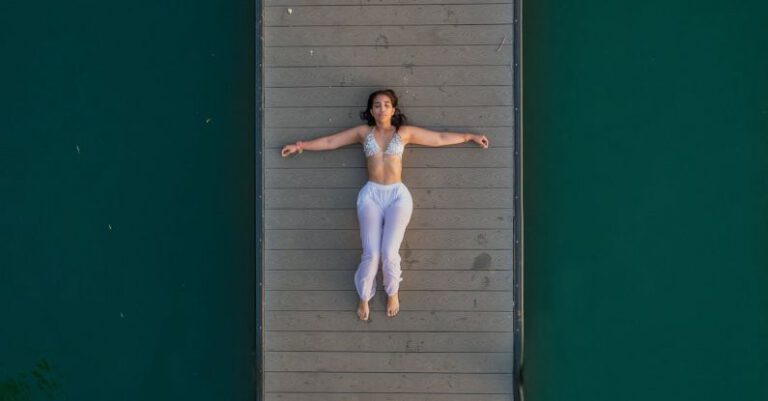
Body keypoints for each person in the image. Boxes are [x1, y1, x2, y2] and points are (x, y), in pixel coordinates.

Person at [281, 89, 489, 321]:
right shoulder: (363, 133)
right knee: (371, 254)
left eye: (386, 104)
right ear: (371, 110)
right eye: (377, 105)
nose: (382, 109)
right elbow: (331, 141)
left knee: (389, 252)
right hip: (371, 195)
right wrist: (301, 146)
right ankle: (364, 295)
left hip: (397, 196)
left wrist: (469, 136)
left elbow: (438, 138)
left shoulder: (404, 133)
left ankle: (392, 292)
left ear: (393, 109)